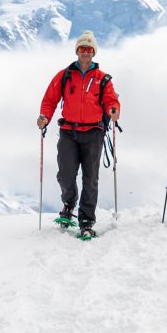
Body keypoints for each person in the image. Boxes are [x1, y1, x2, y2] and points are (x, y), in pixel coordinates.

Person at [37, 30, 120, 237]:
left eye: (89, 49)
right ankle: (69, 204)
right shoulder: (64, 75)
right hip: (68, 131)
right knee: (65, 174)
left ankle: (86, 221)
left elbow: (111, 100)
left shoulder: (103, 79)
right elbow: (50, 99)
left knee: (90, 179)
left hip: (94, 132)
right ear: (77, 51)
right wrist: (44, 117)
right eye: (82, 48)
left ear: (94, 52)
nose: (85, 52)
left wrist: (113, 109)